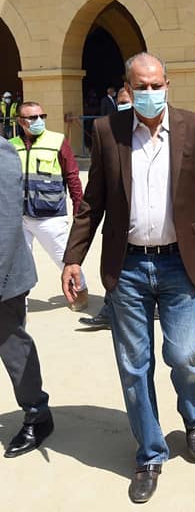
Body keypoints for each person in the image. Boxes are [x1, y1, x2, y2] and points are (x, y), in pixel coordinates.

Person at [62, 53, 195, 503]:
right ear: (128, 88)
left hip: (181, 262)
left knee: (185, 356)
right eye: (141, 86)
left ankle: (194, 414)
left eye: (157, 85)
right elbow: (92, 203)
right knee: (134, 366)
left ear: (167, 84)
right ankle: (150, 452)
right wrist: (73, 258)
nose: (150, 93)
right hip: (128, 266)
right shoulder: (107, 131)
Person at [1, 138, 54, 458]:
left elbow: (6, 223)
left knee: (13, 347)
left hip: (5, 277)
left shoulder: (2, 152)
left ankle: (38, 415)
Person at [11, 101, 88, 311]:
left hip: (50, 215)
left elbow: (72, 177)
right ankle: (18, 303)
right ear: (20, 121)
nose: (39, 121)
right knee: (17, 263)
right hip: (19, 216)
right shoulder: (11, 146)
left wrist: (79, 209)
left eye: (41, 116)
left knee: (64, 258)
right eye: (32, 117)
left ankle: (80, 290)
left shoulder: (57, 141)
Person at [79, 89, 136, 329]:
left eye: (126, 102)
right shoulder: (108, 134)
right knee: (116, 272)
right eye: (120, 102)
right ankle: (108, 312)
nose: (123, 106)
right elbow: (96, 190)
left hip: (151, 230)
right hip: (118, 227)